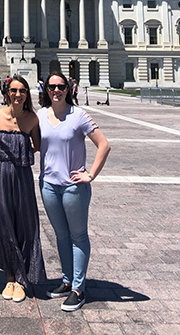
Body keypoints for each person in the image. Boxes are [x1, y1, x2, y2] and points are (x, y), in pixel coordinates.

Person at [38, 72, 111, 312]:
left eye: (60, 86)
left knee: (78, 236)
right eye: (52, 86)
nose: (56, 90)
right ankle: (67, 280)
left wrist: (90, 174)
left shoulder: (78, 115)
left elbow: (104, 144)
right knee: (61, 235)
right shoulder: (40, 115)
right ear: (46, 89)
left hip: (73, 187)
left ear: (68, 88)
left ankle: (79, 289)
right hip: (49, 184)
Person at [0, 75, 45, 303]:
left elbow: (39, 145)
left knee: (25, 223)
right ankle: (10, 276)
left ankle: (22, 278)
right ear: (7, 92)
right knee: (3, 223)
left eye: (22, 90)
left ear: (27, 93)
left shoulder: (32, 119)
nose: (18, 94)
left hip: (22, 176)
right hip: (0, 175)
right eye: (13, 90)